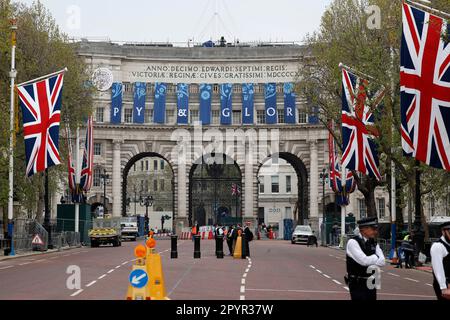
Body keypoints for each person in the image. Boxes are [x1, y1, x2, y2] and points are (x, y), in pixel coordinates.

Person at [345, 217, 385, 301]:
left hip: (372, 281)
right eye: (373, 229)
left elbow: (382, 262)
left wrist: (372, 260)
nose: (375, 231)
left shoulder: (374, 243)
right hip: (357, 282)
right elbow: (364, 261)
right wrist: (376, 257)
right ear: (364, 229)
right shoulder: (353, 242)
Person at [430, 221, 450, 300]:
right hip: (446, 284)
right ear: (443, 232)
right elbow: (438, 269)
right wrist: (443, 287)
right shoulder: (438, 246)